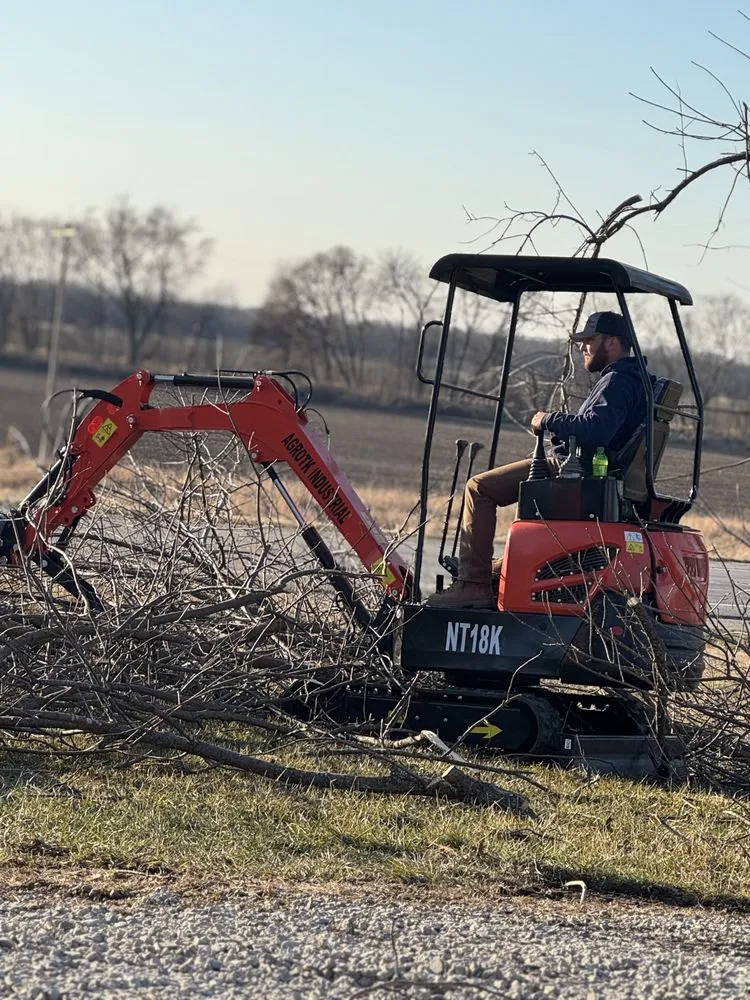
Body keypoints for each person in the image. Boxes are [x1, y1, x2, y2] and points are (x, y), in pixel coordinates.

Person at [426, 311, 651, 609]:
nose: (582, 347)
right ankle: (498, 572)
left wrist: (549, 419)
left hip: (578, 471)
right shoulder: (637, 380)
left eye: (588, 340)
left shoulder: (618, 381)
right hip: (596, 471)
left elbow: (596, 429)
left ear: (611, 342)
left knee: (479, 488)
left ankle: (473, 585)